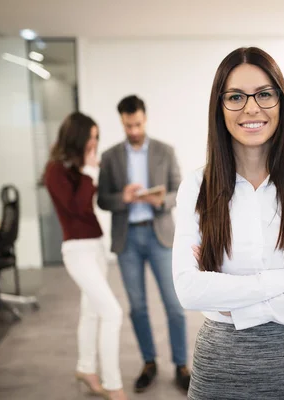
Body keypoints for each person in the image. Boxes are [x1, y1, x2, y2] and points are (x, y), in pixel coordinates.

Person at [172, 47, 284, 400]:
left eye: (264, 94)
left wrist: (238, 306)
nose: (251, 108)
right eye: (236, 97)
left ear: (281, 103)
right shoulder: (197, 186)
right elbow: (189, 290)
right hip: (218, 366)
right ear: (219, 107)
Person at [97, 95, 190, 393]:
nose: (134, 130)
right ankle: (149, 362)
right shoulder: (111, 157)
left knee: (174, 306)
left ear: (145, 118)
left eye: (137, 124)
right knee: (137, 307)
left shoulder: (165, 150)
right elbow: (102, 199)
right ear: (122, 122)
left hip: (159, 233)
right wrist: (121, 198)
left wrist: (160, 199)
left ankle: (181, 364)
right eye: (128, 125)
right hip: (128, 238)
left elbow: (180, 190)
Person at [44, 112, 127, 400]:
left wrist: (90, 171)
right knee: (112, 313)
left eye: (96, 137)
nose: (95, 143)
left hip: (95, 246)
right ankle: (114, 386)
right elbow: (78, 208)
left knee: (91, 312)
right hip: (77, 252)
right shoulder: (55, 170)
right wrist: (90, 172)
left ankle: (86, 369)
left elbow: (95, 206)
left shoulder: (81, 169)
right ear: (77, 137)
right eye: (91, 137)